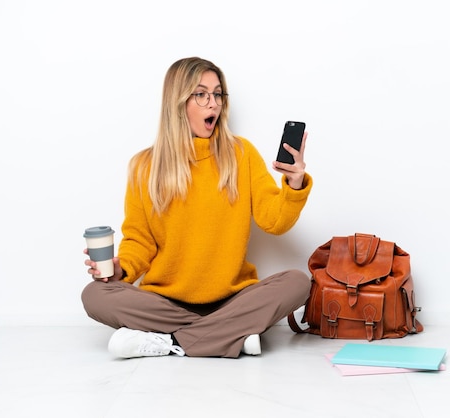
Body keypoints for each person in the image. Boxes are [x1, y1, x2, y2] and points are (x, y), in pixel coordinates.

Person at [81, 57, 313, 359]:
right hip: (166, 302)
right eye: (201, 94)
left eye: (217, 94)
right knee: (94, 295)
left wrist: (293, 185)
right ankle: (230, 335)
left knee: (297, 282)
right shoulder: (144, 166)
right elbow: (139, 241)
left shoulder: (241, 154)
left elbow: (274, 221)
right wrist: (119, 269)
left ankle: (172, 341)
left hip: (233, 299)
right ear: (178, 103)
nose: (213, 104)